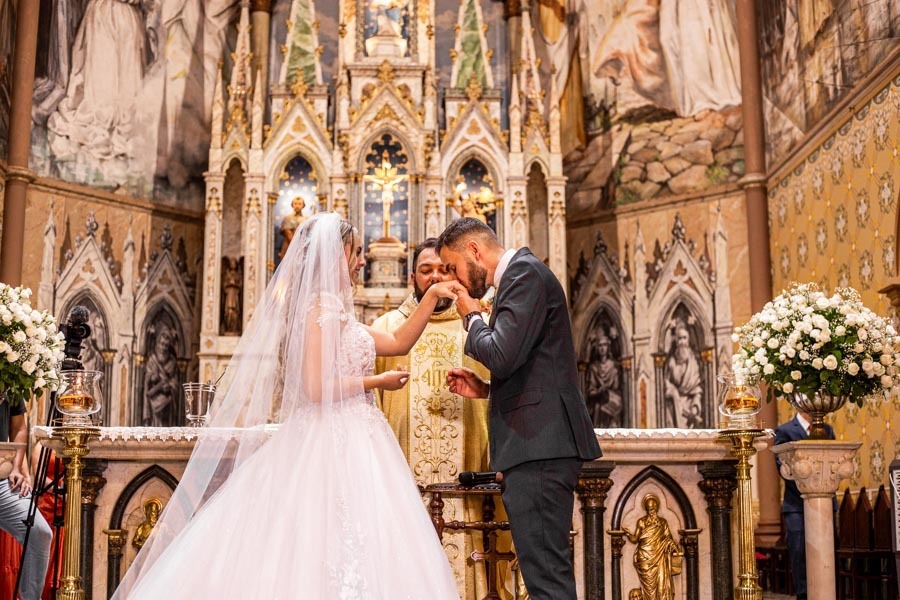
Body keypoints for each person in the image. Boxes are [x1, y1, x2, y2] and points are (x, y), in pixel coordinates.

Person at [114, 213, 461, 599]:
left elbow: (397, 342)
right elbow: (316, 387)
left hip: (360, 438)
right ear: (335, 256)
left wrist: (430, 297)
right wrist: (376, 382)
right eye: (357, 252)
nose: (363, 261)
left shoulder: (338, 311)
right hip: (326, 442)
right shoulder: (318, 309)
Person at [439, 217, 602, 600]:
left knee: (546, 577)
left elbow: (501, 353)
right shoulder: (523, 276)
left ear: (474, 251)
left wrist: (470, 315)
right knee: (542, 571)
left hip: (540, 448)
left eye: (453, 267)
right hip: (537, 445)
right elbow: (533, 365)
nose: (456, 279)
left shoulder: (523, 275)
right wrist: (488, 391)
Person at [370, 238, 501, 595]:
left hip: (470, 474)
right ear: (413, 276)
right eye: (426, 271)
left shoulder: (480, 326)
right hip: (404, 475)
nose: (436, 278)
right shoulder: (387, 327)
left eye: (444, 269)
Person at [774, 411, 835, 600]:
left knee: (826, 557)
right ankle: (804, 595)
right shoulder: (784, 431)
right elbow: (782, 467)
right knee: (800, 555)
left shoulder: (827, 429)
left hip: (826, 503)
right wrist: (810, 485)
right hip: (796, 505)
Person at [0, 397, 52, 600]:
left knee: (39, 532)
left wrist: (17, 467)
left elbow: (19, 427)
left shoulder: (10, 373)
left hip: (2, 482)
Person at [623, 493, 682, 600]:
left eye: (654, 509)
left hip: (660, 557)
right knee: (648, 589)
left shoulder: (663, 523)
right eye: (650, 509)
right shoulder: (641, 522)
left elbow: (669, 538)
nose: (652, 511)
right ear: (646, 509)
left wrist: (671, 544)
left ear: (657, 508)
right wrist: (628, 534)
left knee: (661, 587)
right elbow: (635, 539)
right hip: (644, 558)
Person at [663, 321, 703, 428]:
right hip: (673, 408)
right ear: (676, 341)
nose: (682, 342)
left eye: (684, 338)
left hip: (690, 407)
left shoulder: (693, 361)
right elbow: (664, 382)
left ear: (688, 340)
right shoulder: (671, 362)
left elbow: (697, 389)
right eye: (679, 338)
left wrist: (695, 407)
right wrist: (673, 392)